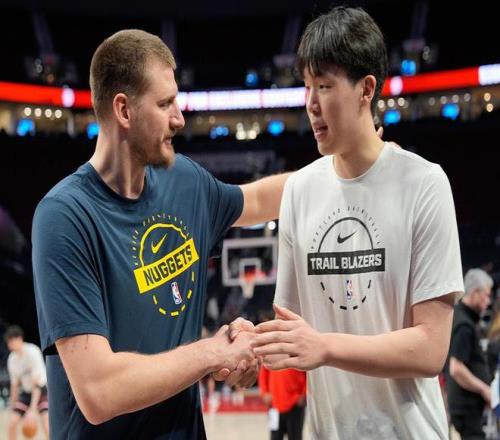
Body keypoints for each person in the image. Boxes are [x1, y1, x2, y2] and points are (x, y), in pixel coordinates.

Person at [32, 29, 288, 439]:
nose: (179, 119)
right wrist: (212, 351)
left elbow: (258, 199)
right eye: (165, 103)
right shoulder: (65, 216)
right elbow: (99, 391)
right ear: (124, 110)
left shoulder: (183, 180)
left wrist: (346, 167)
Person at [249, 6, 464, 439]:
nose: (311, 104)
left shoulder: (424, 184)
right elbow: (291, 329)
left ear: (366, 89)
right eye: (307, 86)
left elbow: (430, 349)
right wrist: (245, 346)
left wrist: (326, 346)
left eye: (325, 86)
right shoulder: (299, 190)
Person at [447, 269, 493, 439]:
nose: (488, 301)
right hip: (466, 408)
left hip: (466, 407)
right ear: (475, 293)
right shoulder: (464, 324)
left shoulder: (460, 316)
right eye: (486, 295)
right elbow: (456, 369)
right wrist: (484, 389)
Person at [5, 325, 49, 440]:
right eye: (8, 342)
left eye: (11, 341)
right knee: (12, 422)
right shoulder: (12, 359)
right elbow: (14, 385)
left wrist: (32, 410)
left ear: (19, 338)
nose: (9, 345)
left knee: (46, 421)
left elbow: (37, 385)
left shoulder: (33, 351)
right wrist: (12, 406)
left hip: (41, 390)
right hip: (26, 392)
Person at [259, 365, 306, 440]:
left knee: (295, 437)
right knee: (274, 437)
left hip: (295, 404)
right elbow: (264, 372)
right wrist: (264, 393)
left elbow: (309, 374)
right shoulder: (269, 357)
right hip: (273, 405)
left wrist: (304, 393)